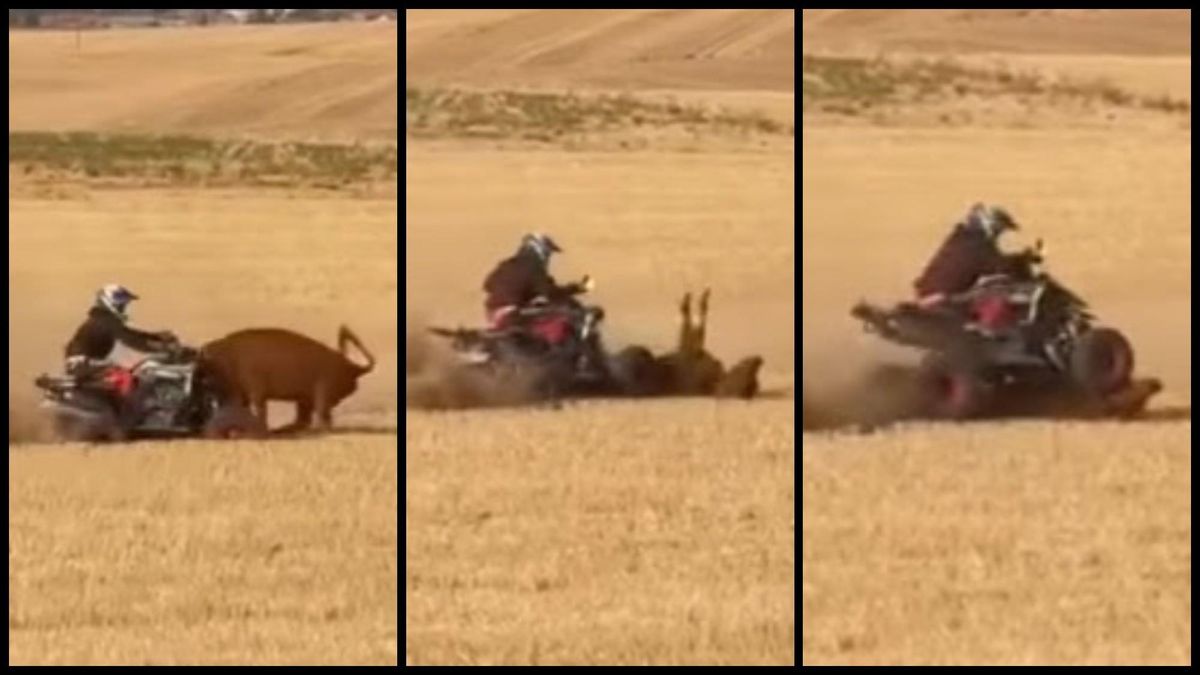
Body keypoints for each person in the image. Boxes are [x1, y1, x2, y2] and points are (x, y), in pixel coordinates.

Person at [913, 204, 1037, 340]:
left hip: (937, 294)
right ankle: (987, 333)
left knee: (988, 290)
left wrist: (1020, 259)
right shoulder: (976, 244)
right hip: (942, 297)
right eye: (998, 230)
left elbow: (994, 262)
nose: (998, 234)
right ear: (989, 225)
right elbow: (997, 265)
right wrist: (1022, 261)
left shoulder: (965, 238)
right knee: (999, 291)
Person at [64, 283, 176, 424]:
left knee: (135, 374)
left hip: (86, 363)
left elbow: (131, 334)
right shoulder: (104, 320)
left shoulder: (105, 319)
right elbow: (130, 340)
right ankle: (127, 421)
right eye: (121, 305)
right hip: (82, 364)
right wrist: (160, 348)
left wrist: (157, 337)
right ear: (110, 303)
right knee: (126, 378)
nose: (123, 308)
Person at [482, 233, 588, 334]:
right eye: (548, 252)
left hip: (492, 314)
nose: (548, 257)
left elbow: (487, 285)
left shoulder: (506, 264)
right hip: (513, 315)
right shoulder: (534, 267)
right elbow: (550, 292)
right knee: (557, 323)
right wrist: (575, 288)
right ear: (540, 250)